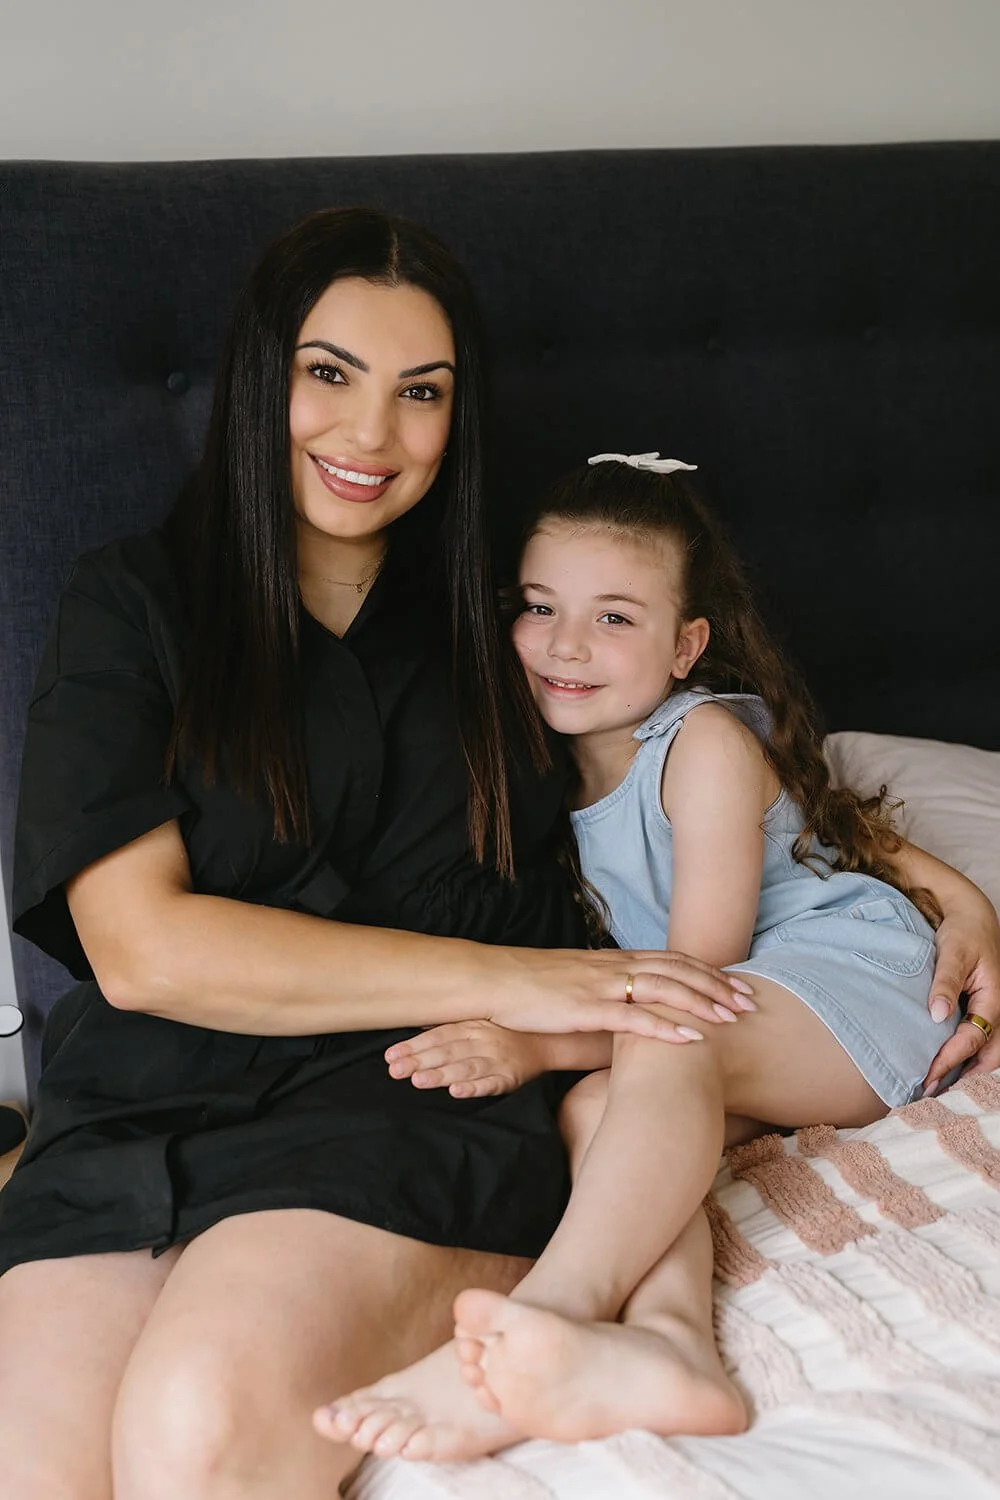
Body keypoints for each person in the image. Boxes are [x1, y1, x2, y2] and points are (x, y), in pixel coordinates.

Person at [0, 219, 755, 1500]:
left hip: (414, 1094)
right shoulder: (131, 604)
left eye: (421, 393)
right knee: (31, 1471)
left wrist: (930, 883)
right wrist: (526, 979)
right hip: (141, 1103)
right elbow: (142, 953)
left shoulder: (515, 610)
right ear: (261, 376)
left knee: (193, 1434)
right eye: (328, 373)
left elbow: (699, 752)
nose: (370, 434)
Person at [326, 450, 1000, 1463]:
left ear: (687, 645)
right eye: (539, 607)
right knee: (596, 1115)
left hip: (863, 983)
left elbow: (695, 983)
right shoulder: (542, 779)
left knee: (656, 1042)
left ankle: (549, 1313)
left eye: (614, 617)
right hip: (752, 1024)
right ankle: (674, 1348)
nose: (565, 644)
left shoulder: (702, 746)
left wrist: (534, 1047)